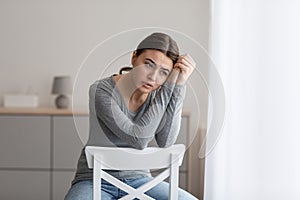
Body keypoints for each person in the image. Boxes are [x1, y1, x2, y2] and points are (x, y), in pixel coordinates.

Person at [65, 32, 197, 200]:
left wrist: (179, 84)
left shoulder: (158, 94)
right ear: (134, 57)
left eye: (164, 73)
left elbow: (166, 141)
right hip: (94, 180)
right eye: (148, 65)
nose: (153, 77)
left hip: (140, 180)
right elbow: (138, 138)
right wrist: (167, 89)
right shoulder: (101, 90)